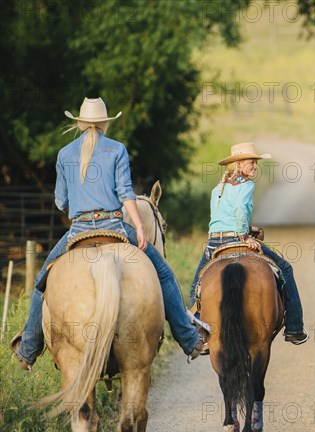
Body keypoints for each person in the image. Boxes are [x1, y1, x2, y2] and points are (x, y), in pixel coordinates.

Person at [10, 97, 204, 370]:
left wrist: (79, 202)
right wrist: (138, 226)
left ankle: (28, 348)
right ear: (104, 123)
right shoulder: (117, 150)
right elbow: (126, 194)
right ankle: (189, 338)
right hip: (114, 225)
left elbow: (60, 202)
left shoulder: (64, 154)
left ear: (79, 124)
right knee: (164, 274)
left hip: (78, 230)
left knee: (42, 281)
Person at [189, 142, 308, 345]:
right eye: (250, 162)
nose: (254, 165)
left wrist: (249, 228)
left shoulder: (218, 188)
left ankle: (199, 334)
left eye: (255, 162)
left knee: (195, 288)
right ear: (238, 164)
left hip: (213, 243)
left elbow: (221, 218)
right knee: (286, 269)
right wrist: (245, 236)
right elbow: (239, 211)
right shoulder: (246, 185)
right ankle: (295, 327)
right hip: (236, 238)